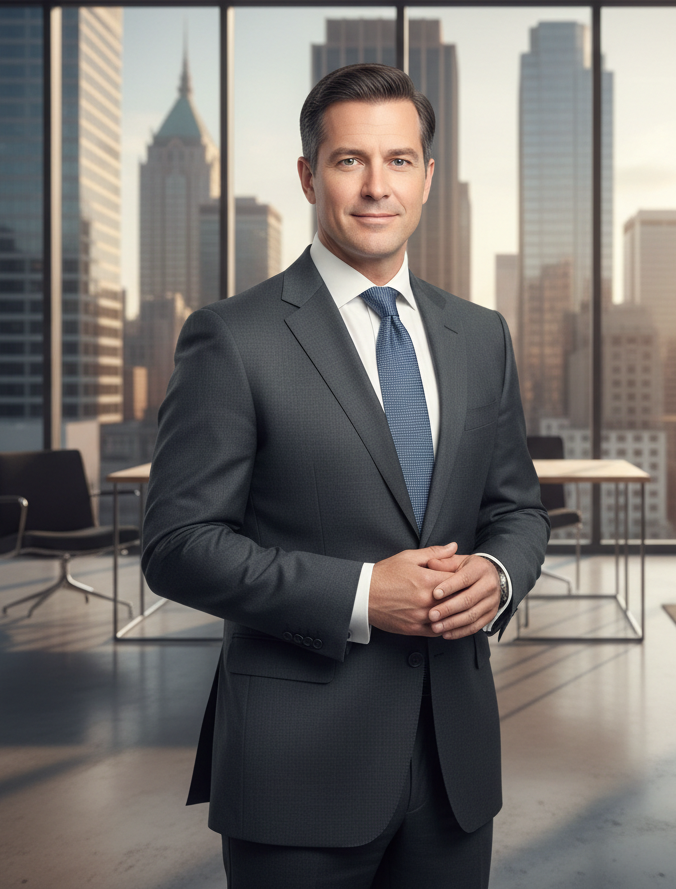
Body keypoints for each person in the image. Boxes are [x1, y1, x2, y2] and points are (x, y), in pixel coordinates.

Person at [141, 62, 549, 888]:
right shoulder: (233, 337)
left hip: (454, 764)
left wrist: (500, 575)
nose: (376, 187)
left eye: (399, 160)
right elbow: (178, 544)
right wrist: (364, 595)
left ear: (427, 177)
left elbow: (518, 508)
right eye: (348, 160)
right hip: (298, 763)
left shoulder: (481, 335)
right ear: (308, 174)